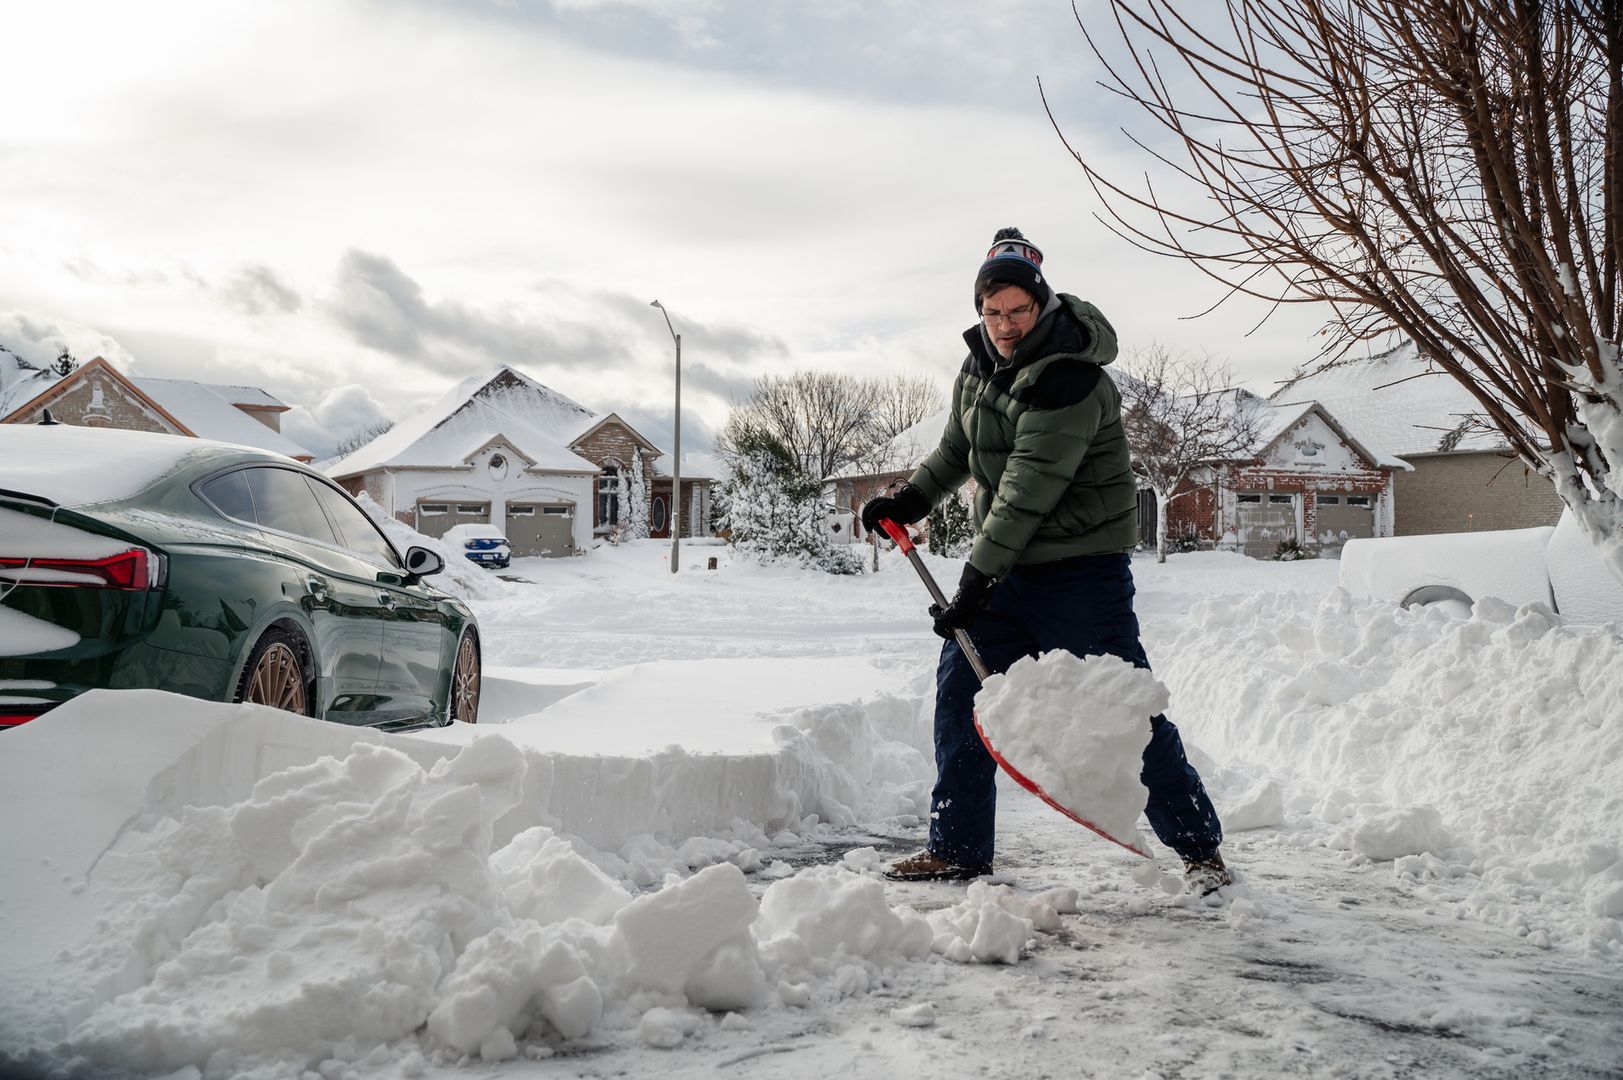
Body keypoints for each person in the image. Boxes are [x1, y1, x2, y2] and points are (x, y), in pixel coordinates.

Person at [860, 227, 1231, 896]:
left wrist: (974, 580)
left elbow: (1029, 488)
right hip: (1005, 572)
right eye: (991, 312)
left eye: (1017, 311)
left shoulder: (1070, 377)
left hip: (1078, 575)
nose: (1003, 326)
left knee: (1123, 713)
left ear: (1044, 307)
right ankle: (958, 847)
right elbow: (956, 450)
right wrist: (909, 498)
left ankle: (1199, 849)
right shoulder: (978, 367)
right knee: (959, 703)